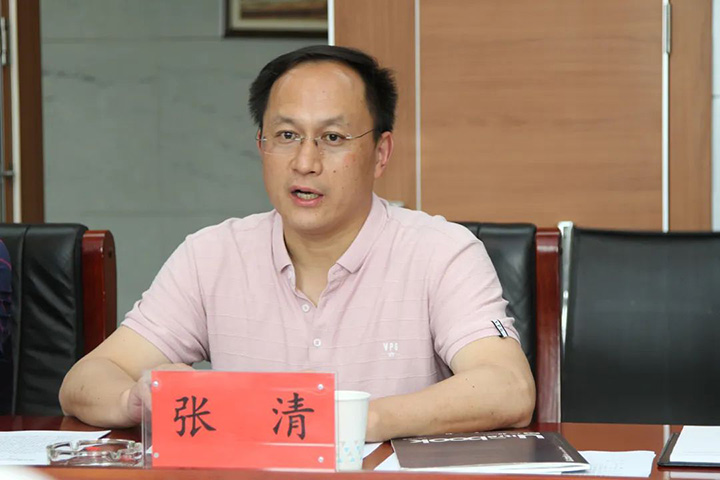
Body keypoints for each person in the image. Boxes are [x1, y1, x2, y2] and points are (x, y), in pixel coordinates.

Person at [59, 45, 534, 441]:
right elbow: (84, 380)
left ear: (380, 153)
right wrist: (135, 399)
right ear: (261, 145)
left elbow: (508, 387)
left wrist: (355, 421)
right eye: (286, 135)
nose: (305, 162)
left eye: (333, 137)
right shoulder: (212, 256)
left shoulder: (441, 252)